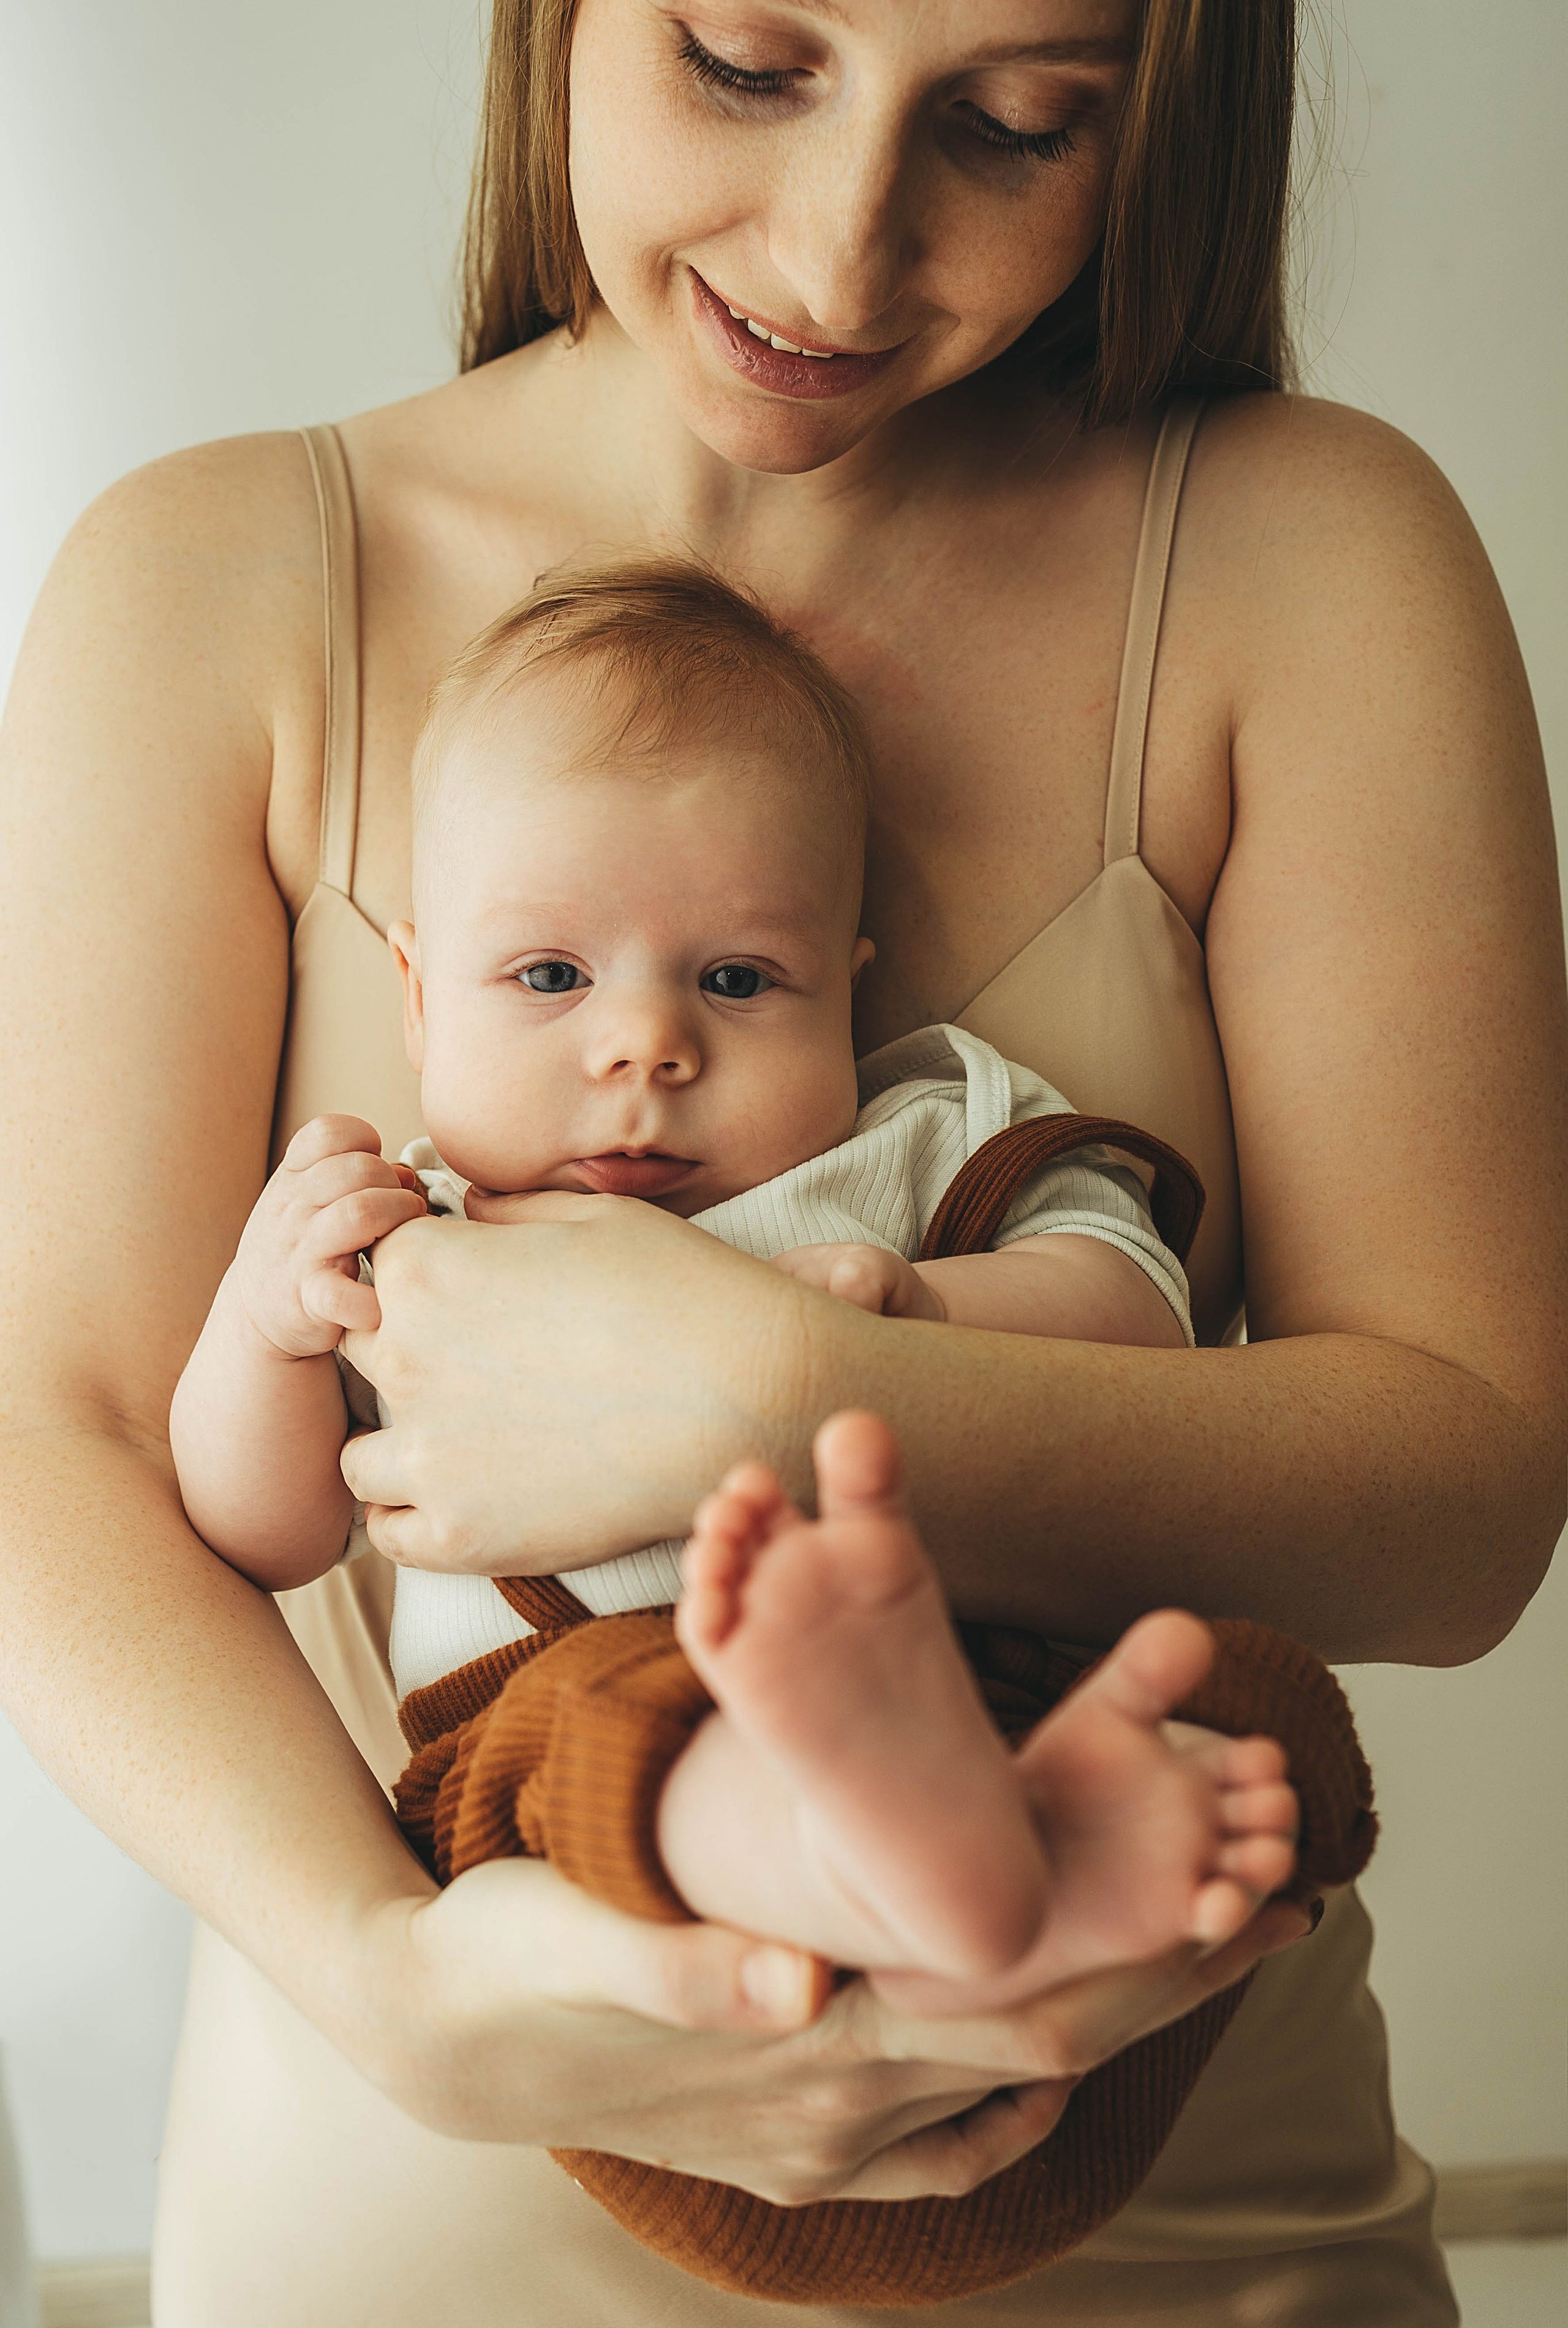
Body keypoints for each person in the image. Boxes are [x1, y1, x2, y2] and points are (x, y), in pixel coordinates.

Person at [0, 0, 1561, 2320]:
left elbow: (1462, 1507)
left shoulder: (1302, 553)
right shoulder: (209, 579)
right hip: (423, 2177)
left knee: (1248, 1736)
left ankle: (953, 1818)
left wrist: (777, 1393)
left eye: (1016, 125)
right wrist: (393, 1991)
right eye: (745, 64)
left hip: (1169, 2204)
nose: (837, 258)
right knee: (627, 1747)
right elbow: (64, 1446)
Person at [166, 560, 1363, 2300]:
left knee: (1265, 1710)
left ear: (849, 992)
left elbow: (1137, 1308)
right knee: (628, 1744)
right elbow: (259, 1531)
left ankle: (993, 1824)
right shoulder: (413, 1240)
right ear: (419, 999)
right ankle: (892, 1842)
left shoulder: (926, 1136)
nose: (645, 1044)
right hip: (603, 1852)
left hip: (1066, 1965)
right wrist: (263, 1327)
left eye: (738, 980)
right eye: (550, 975)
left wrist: (908, 1326)